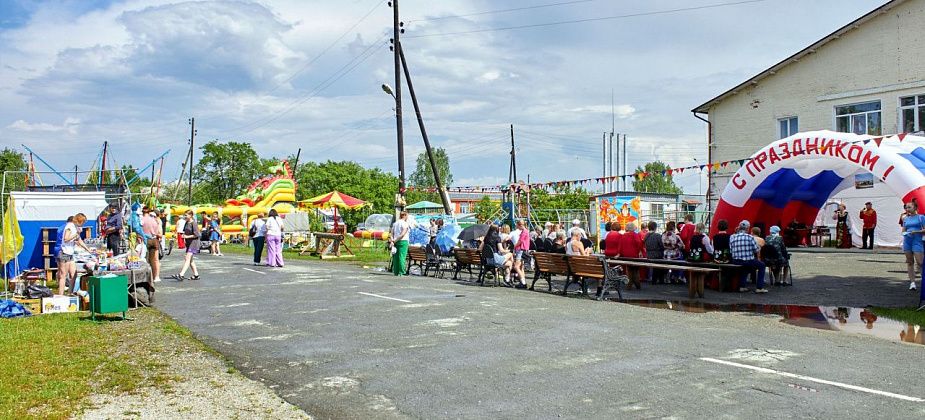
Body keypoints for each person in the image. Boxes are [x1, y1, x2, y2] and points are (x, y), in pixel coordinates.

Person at [57, 214, 92, 295]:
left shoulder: (75, 227)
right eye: (83, 222)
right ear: (79, 221)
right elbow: (66, 239)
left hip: (70, 253)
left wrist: (88, 249)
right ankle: (60, 296)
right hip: (64, 252)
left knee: (74, 274)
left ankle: (70, 293)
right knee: (63, 275)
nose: (83, 224)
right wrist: (75, 235)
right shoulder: (70, 226)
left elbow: (79, 240)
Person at [730, 220, 767, 293]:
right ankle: (759, 287)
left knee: (745, 268)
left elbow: (731, 250)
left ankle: (742, 286)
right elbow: (756, 250)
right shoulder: (750, 237)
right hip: (748, 260)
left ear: (739, 227)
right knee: (762, 265)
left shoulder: (732, 237)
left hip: (736, 261)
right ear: (748, 228)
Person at [900, 201, 924, 291]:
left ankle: (923, 281)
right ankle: (912, 283)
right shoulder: (905, 218)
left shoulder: (921, 217)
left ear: (915, 207)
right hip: (907, 241)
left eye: (909, 207)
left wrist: (916, 232)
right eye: (906, 208)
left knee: (920, 262)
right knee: (910, 262)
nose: (907, 209)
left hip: (917, 241)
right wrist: (906, 233)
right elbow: (903, 231)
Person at [170, 210, 201, 281]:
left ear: (191, 215)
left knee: (187, 258)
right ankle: (196, 275)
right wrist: (181, 236)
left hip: (194, 243)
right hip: (189, 243)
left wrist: (187, 237)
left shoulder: (194, 223)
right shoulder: (187, 222)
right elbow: (184, 231)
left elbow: (197, 235)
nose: (185, 216)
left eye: (186, 215)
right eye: (184, 215)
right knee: (190, 260)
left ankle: (181, 274)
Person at [142, 208, 164, 283]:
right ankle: (156, 276)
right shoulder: (157, 221)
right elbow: (160, 234)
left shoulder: (142, 219)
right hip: (155, 240)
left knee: (145, 259)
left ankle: (147, 277)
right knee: (155, 260)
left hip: (145, 240)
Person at [390, 211, 411, 276]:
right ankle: (401, 272)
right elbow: (402, 234)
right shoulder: (405, 224)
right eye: (407, 216)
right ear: (404, 215)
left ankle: (396, 271)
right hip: (403, 241)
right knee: (402, 257)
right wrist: (395, 240)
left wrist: (392, 241)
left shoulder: (395, 223)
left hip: (395, 241)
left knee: (395, 257)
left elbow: (391, 233)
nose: (407, 217)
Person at [512, 220, 530, 288]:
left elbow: (520, 241)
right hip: (523, 250)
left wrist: (514, 246)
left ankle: (523, 283)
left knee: (516, 267)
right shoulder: (525, 231)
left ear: (520, 225)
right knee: (521, 267)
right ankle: (522, 281)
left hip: (521, 250)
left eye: (517, 225)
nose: (516, 227)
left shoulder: (524, 232)